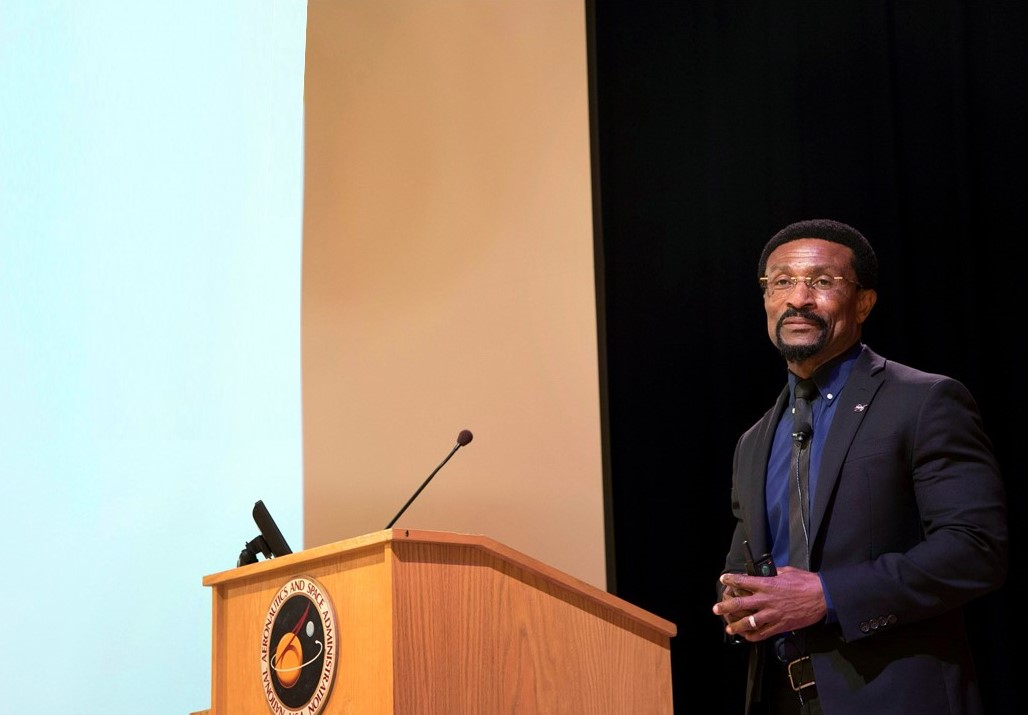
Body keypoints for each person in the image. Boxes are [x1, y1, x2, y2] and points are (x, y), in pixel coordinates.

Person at [711, 219, 1008, 714]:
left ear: (864, 302)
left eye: (822, 282)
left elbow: (976, 549)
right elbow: (744, 565)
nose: (798, 298)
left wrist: (829, 595)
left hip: (894, 697)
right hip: (780, 698)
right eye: (781, 281)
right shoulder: (753, 441)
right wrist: (739, 599)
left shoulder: (923, 401)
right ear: (766, 298)